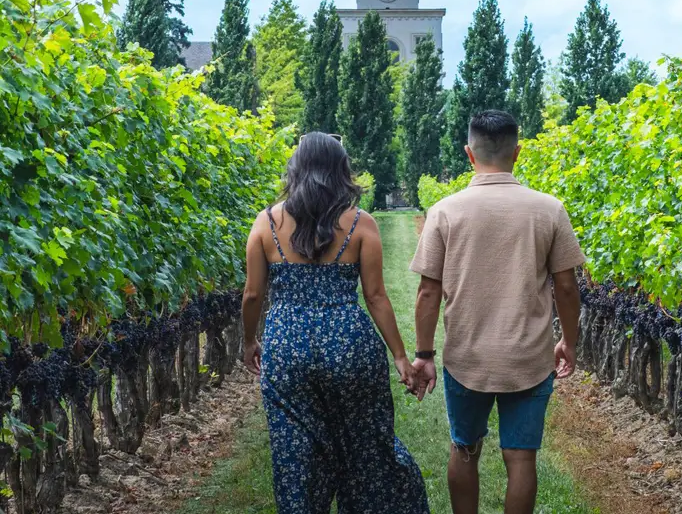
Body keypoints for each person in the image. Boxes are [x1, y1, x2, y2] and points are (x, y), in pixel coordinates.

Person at [241, 132, 429, 514]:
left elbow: (252, 295)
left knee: (295, 455)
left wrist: (249, 342)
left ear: (296, 169)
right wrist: (399, 355)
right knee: (365, 450)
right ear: (341, 171)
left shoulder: (266, 223)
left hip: (287, 347)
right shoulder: (361, 224)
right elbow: (376, 296)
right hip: (349, 347)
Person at [410, 110, 583, 514]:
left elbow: (428, 292)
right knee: (521, 458)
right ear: (517, 152)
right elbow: (568, 287)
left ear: (470, 154)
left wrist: (424, 355)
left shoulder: (445, 211)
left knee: (465, 449)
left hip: (466, 357)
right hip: (529, 356)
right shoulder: (549, 209)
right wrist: (568, 342)